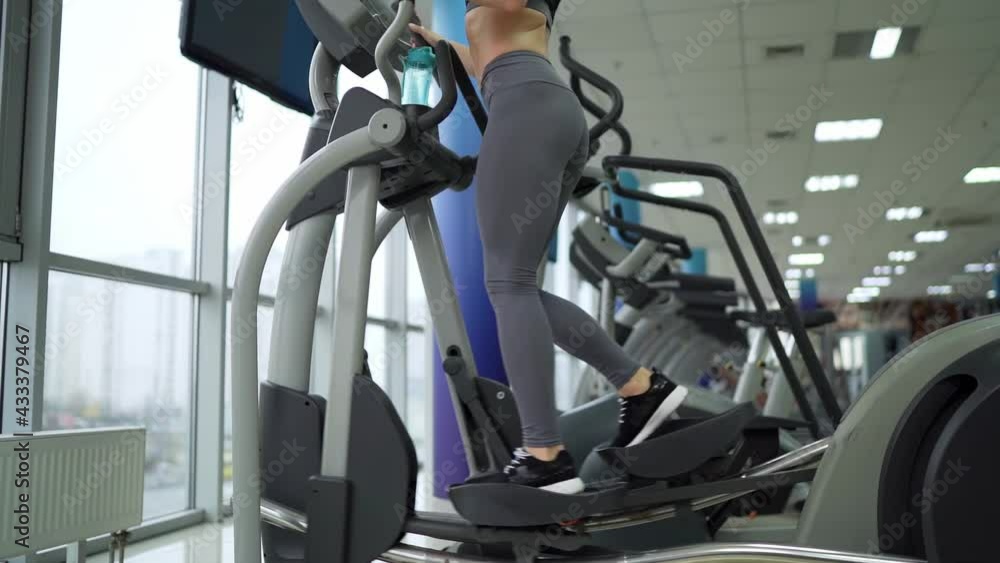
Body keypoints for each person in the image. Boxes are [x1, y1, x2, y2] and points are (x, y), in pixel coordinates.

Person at [409, 1, 688, 494]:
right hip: (537, 103)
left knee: (509, 286)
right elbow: (485, 59)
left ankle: (545, 455)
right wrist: (439, 46)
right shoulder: (512, 23)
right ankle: (641, 388)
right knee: (519, 288)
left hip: (525, 107)